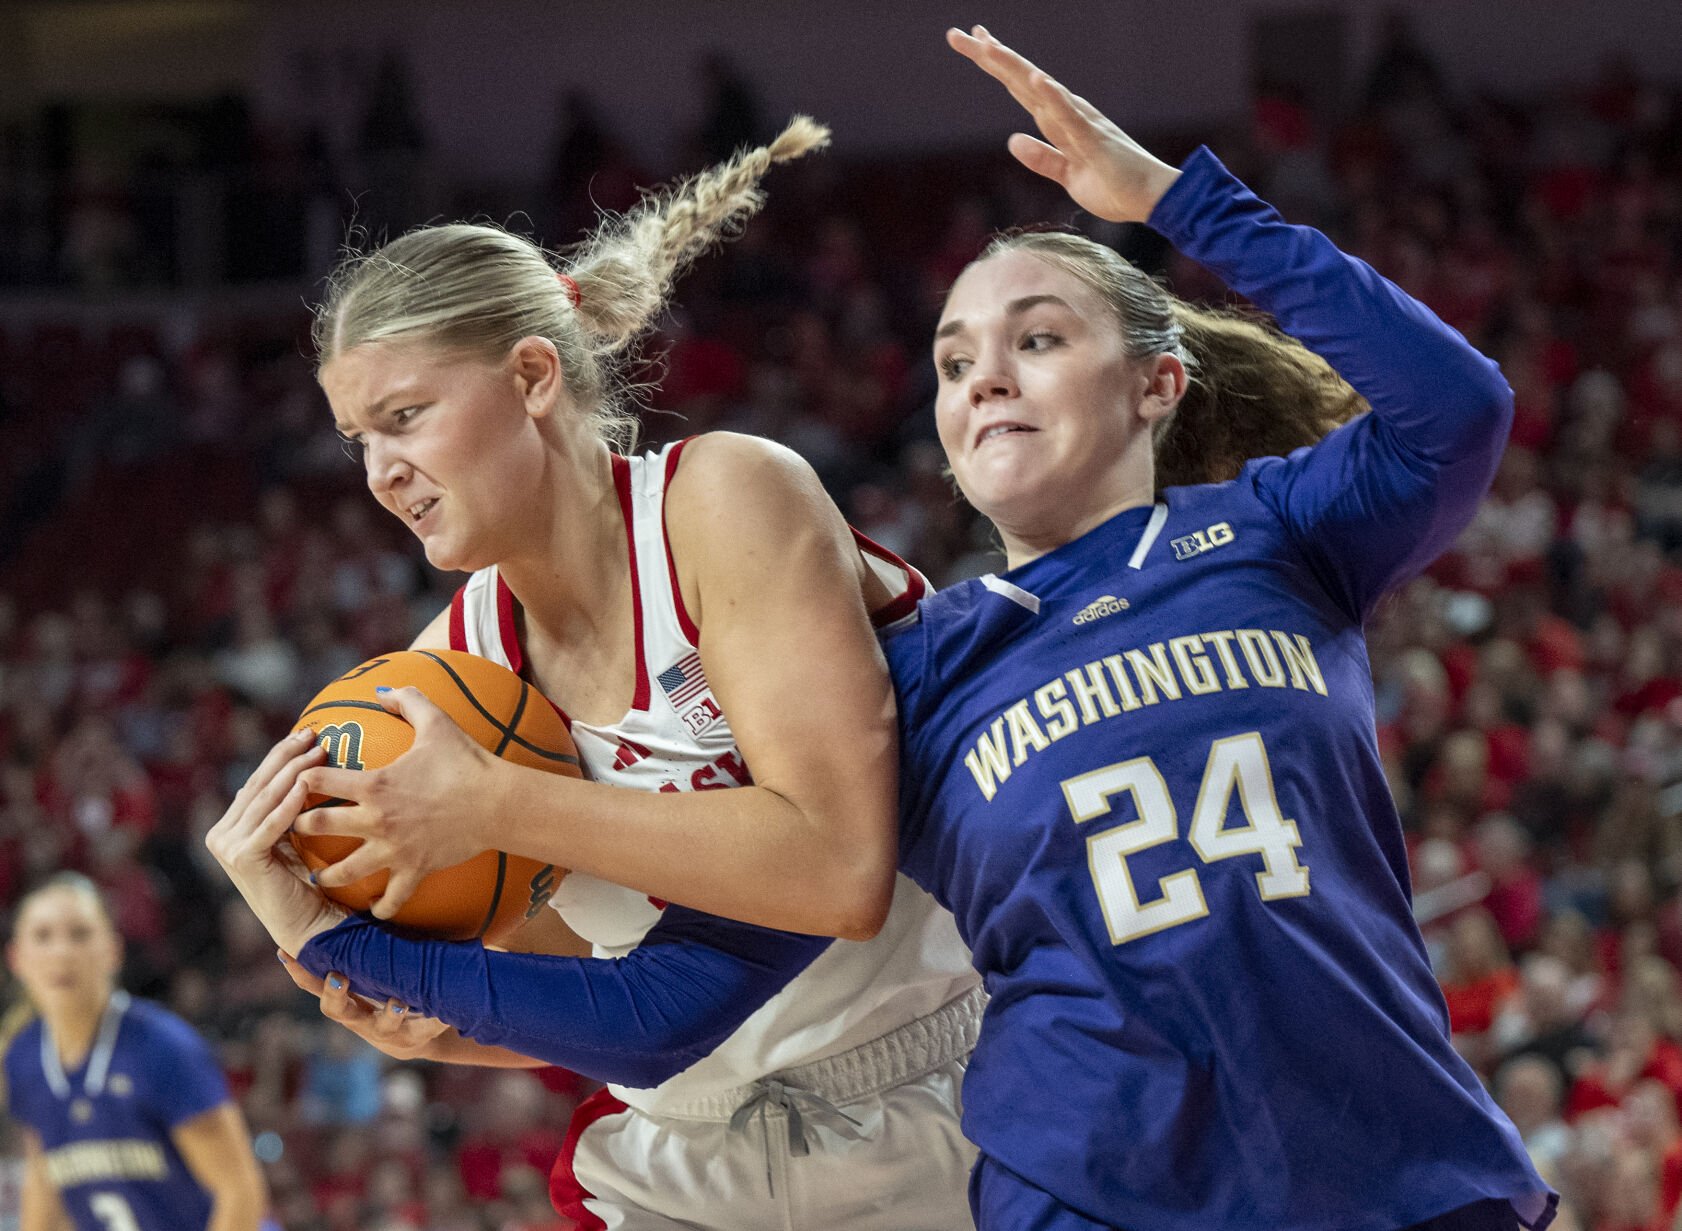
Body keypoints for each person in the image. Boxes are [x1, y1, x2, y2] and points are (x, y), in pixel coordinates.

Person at [227, 25, 1560, 1231]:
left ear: (1158, 381)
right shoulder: (929, 672)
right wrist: (353, 955)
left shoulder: (1267, 538)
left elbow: (1456, 409)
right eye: (951, 360)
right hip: (960, 1160)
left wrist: (1178, 199)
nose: (984, 375)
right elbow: (659, 1005)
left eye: (1036, 339)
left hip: (1121, 1116)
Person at [208, 116, 980, 1230]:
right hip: (671, 1142)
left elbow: (839, 870)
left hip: (915, 1100)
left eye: (404, 417)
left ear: (531, 375)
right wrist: (433, 1017)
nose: (380, 472)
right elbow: (602, 994)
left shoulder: (723, 501)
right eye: (357, 439)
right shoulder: (448, 672)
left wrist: (493, 801)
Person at [3, 873, 271, 1231]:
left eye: (80, 934)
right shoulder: (23, 1059)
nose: (61, 952)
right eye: (42, 936)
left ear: (113, 951)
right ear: (16, 958)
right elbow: (44, 1185)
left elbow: (240, 1192)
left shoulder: (163, 1046)